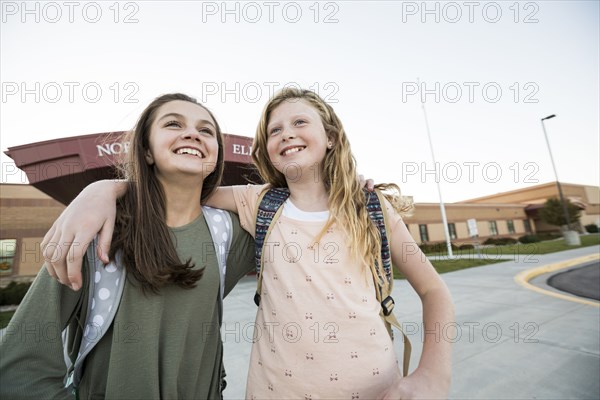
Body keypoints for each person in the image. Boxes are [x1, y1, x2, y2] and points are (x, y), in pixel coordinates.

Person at [41, 88, 455, 399]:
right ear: (268, 151)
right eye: (274, 130)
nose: (286, 134)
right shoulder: (257, 202)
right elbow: (176, 188)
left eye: (299, 123)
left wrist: (433, 373)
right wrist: (102, 189)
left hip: (375, 389)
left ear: (330, 137)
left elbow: (434, 290)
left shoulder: (373, 208)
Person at [0, 93, 254, 399]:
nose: (192, 134)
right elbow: (20, 368)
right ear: (146, 151)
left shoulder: (230, 235)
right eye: (173, 123)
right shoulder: (95, 233)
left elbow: (302, 198)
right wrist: (102, 191)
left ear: (215, 158)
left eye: (206, 130)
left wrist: (104, 187)